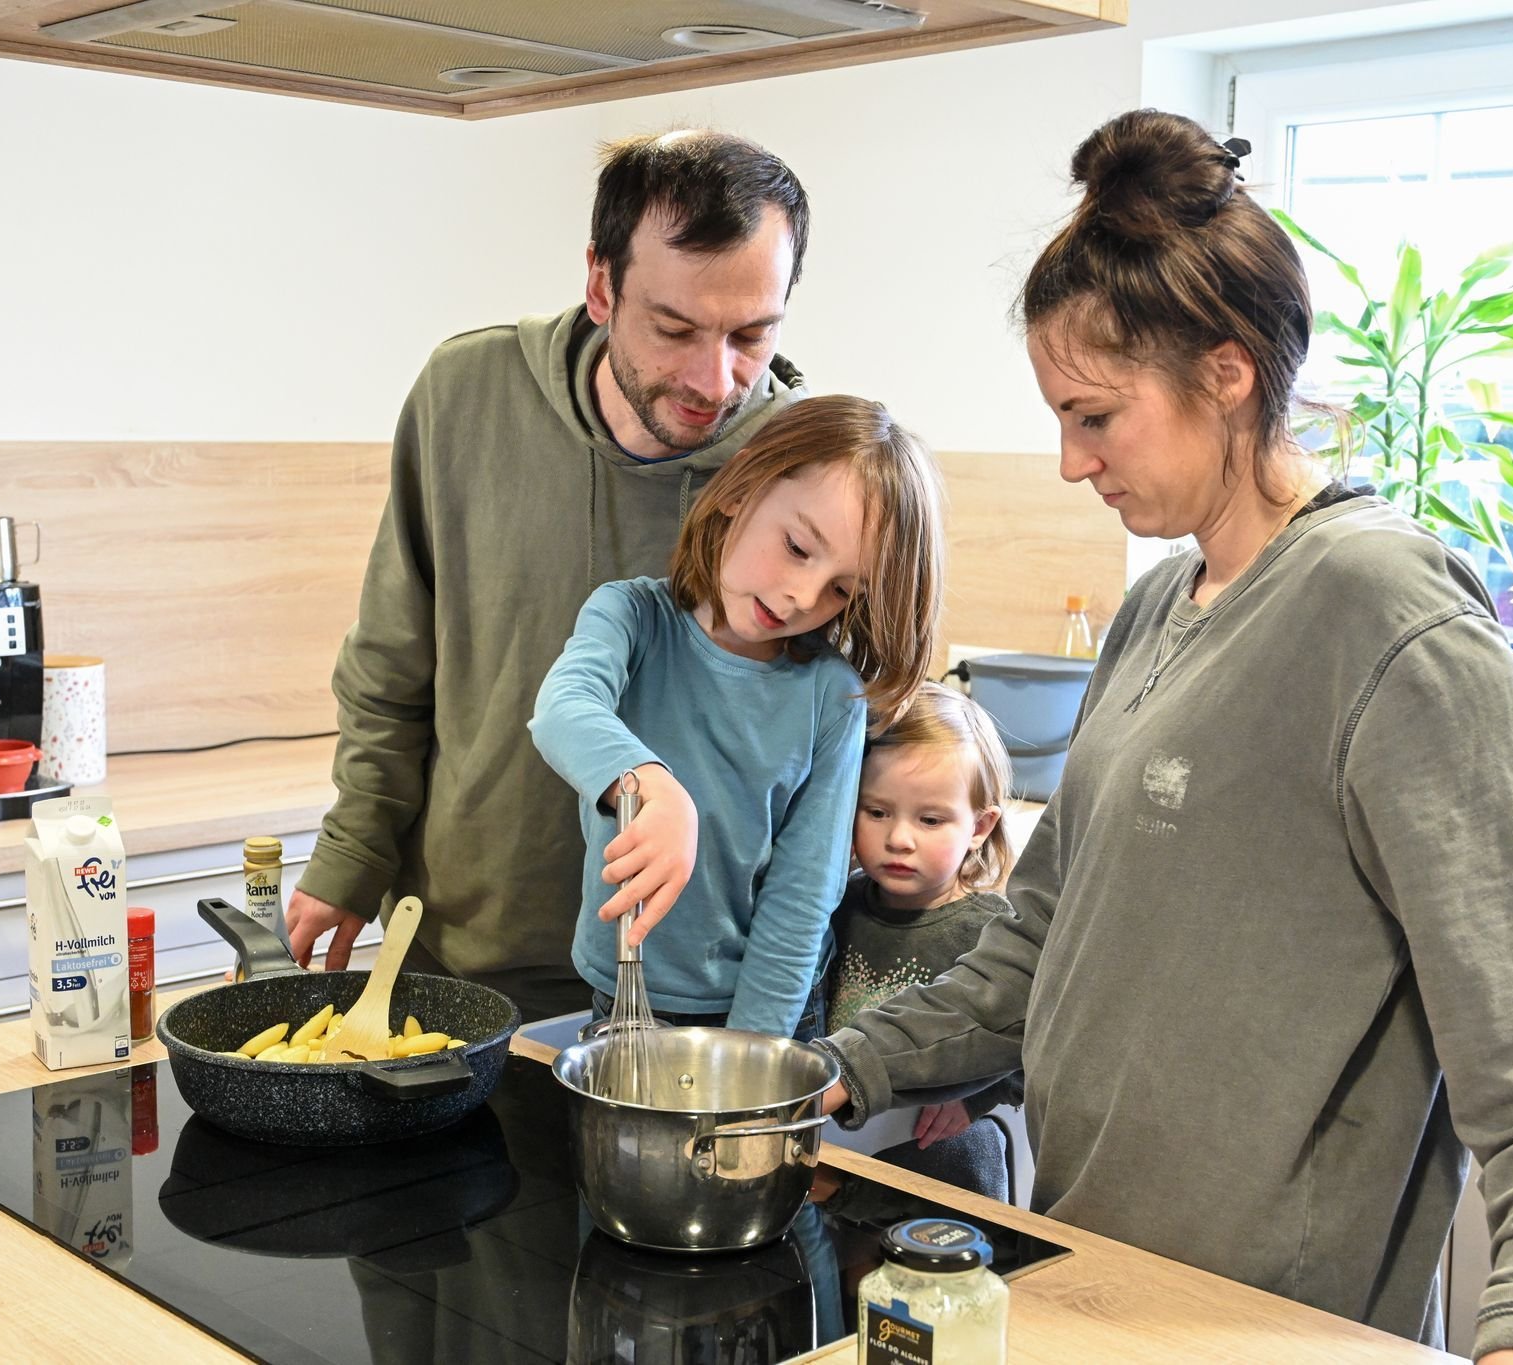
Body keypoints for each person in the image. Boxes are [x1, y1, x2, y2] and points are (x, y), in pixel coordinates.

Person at [816, 109, 1513, 1365]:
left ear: (1224, 374)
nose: (1067, 462)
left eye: (1094, 417)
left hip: (1272, 1331)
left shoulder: (1385, 618)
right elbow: (1037, 948)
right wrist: (839, 1070)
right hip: (1090, 1289)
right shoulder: (1159, 606)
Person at [284, 130, 812, 1023]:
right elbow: (391, 663)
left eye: (751, 335)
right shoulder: (467, 394)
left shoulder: (806, 469)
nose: (713, 379)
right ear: (602, 284)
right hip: (465, 959)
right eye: (675, 328)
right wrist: (354, 852)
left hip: (690, 998)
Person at [528, 394, 945, 1039]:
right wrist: (651, 786)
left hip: (769, 1007)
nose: (803, 596)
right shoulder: (631, 619)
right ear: (740, 488)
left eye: (842, 589)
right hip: (627, 992)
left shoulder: (831, 697)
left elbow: (802, 899)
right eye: (798, 547)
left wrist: (751, 1056)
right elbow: (563, 708)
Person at [826, 681, 1023, 1200]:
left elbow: (1031, 1051)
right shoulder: (836, 905)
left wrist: (973, 1101)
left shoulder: (994, 932)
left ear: (979, 826)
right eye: (877, 812)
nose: (899, 838)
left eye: (930, 819)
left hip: (941, 1169)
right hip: (847, 1161)